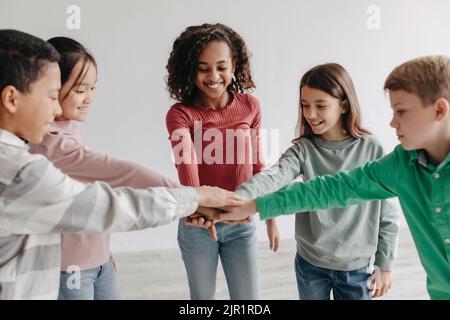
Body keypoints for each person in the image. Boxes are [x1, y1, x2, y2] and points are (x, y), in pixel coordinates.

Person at [0, 29, 239, 300]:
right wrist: (194, 196)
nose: (56, 110)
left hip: (92, 262)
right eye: (52, 96)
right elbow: (111, 200)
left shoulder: (26, 154)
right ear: (11, 99)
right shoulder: (20, 172)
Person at [218, 55, 450, 300]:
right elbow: (329, 189)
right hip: (312, 261)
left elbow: (387, 214)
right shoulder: (401, 165)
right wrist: (245, 202)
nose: (392, 122)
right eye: (305, 105)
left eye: (401, 111)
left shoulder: (373, 149)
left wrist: (385, 262)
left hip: (357, 266)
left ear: (439, 110)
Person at [165, 23, 279, 300]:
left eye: (221, 66)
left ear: (234, 65)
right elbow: (187, 170)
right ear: (190, 69)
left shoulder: (250, 106)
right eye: (203, 68)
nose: (213, 76)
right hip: (198, 224)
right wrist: (204, 212)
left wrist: (270, 215)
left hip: (241, 222)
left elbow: (257, 167)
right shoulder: (180, 115)